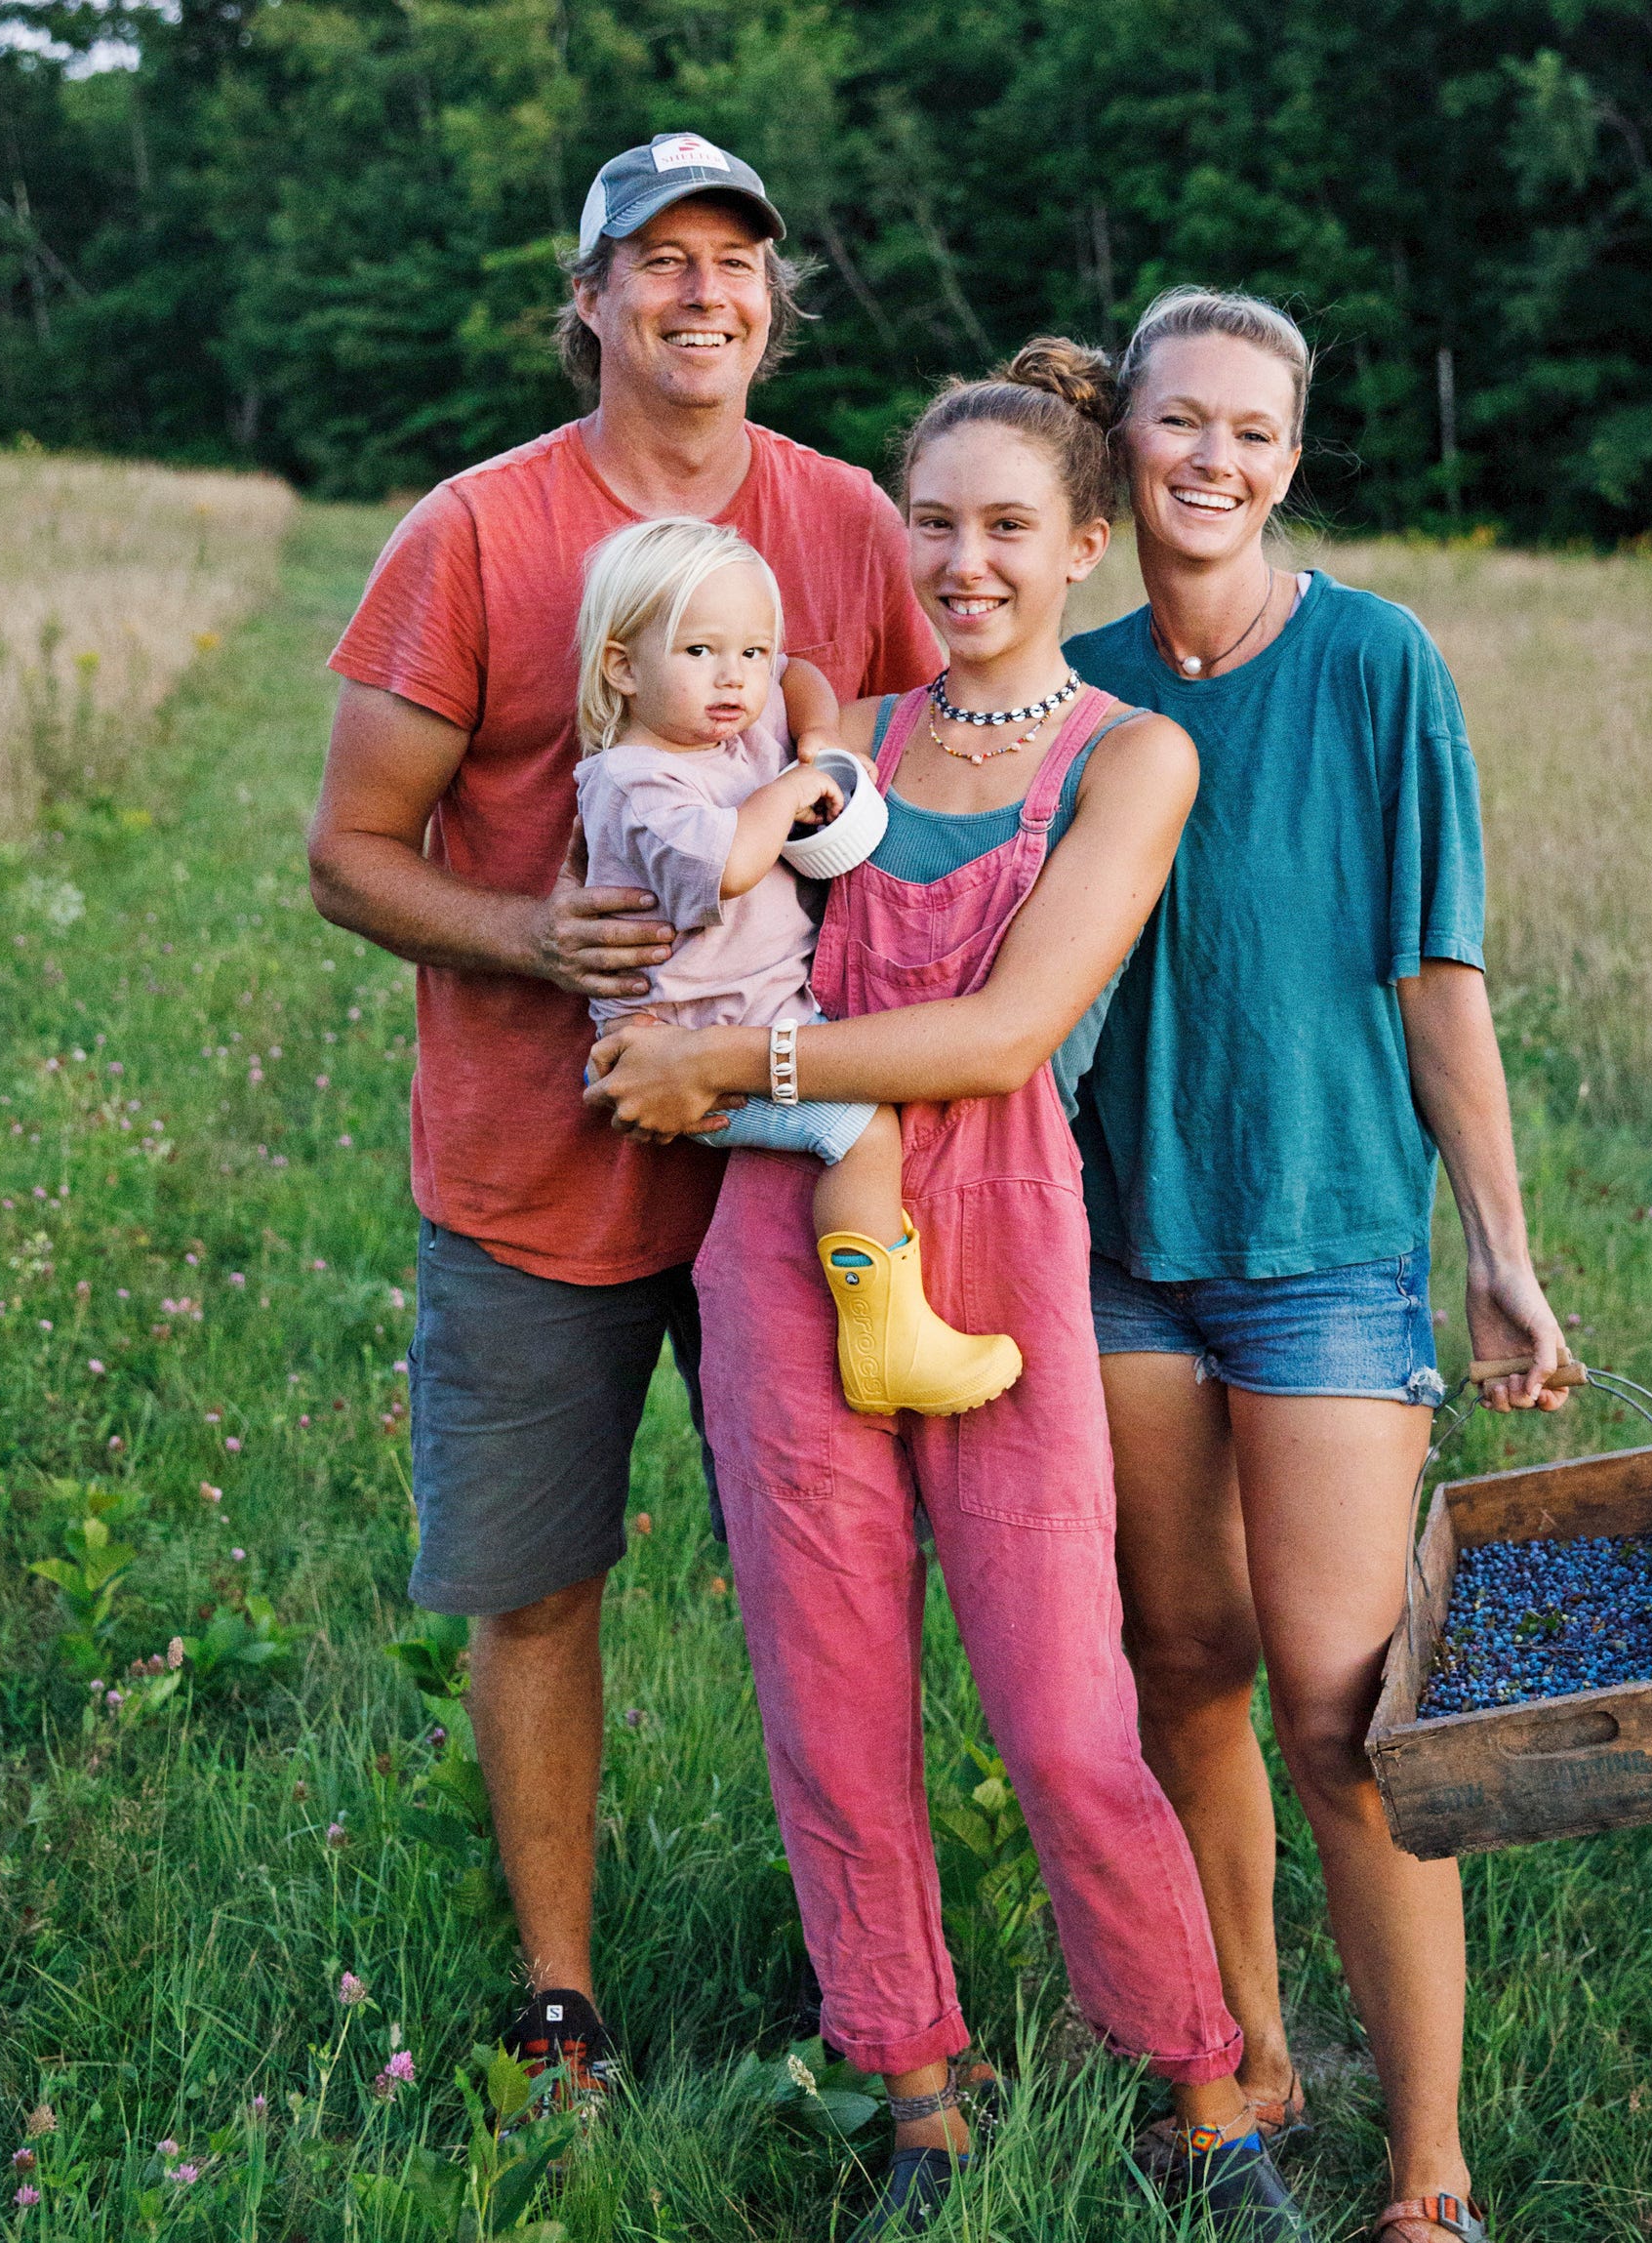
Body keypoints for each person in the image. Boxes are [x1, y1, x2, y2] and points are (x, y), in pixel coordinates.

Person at [584, 343, 1311, 2241]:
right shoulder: (843, 739)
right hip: (786, 1244)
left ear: (1084, 539)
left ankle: (1198, 2091)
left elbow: (1001, 1035)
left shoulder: (1126, 757)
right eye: (931, 523)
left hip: (987, 1226)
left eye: (1006, 527)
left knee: (1066, 1709)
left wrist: (734, 1075)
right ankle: (914, 2092)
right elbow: (693, 875)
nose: (963, 561)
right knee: (829, 1698)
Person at [304, 129, 940, 2109]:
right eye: (652, 263)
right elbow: (344, 853)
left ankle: (882, 1980)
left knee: (829, 1568)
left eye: (731, 263)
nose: (699, 296)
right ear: (585, 304)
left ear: (770, 300)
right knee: (540, 1581)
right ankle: (563, 1993)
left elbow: (912, 759)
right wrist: (522, 930)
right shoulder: (477, 536)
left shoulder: (840, 515)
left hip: (782, 1140)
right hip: (534, 1168)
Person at [1063, 288, 1569, 2243]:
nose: (1210, 461)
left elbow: (1433, 976)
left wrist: (1496, 1251)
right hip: (1114, 1251)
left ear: (1289, 457)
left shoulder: (1370, 663)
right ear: (1121, 438)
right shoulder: (1076, 680)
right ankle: (1244, 2062)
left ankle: (1427, 2174)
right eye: (1177, 423)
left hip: (1328, 1251)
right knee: (1175, 1666)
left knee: (1345, 1711)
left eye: (1249, 434)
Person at [572, 513, 1021, 1413]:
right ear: (622, 667)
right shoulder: (637, 779)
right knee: (857, 1125)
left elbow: (801, 674)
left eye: (748, 649)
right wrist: (787, 788)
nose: (736, 675)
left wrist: (818, 744)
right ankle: (885, 1342)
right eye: (700, 650)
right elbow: (732, 864)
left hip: (755, 1014)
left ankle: (892, 1318)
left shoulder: (730, 721)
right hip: (685, 1049)